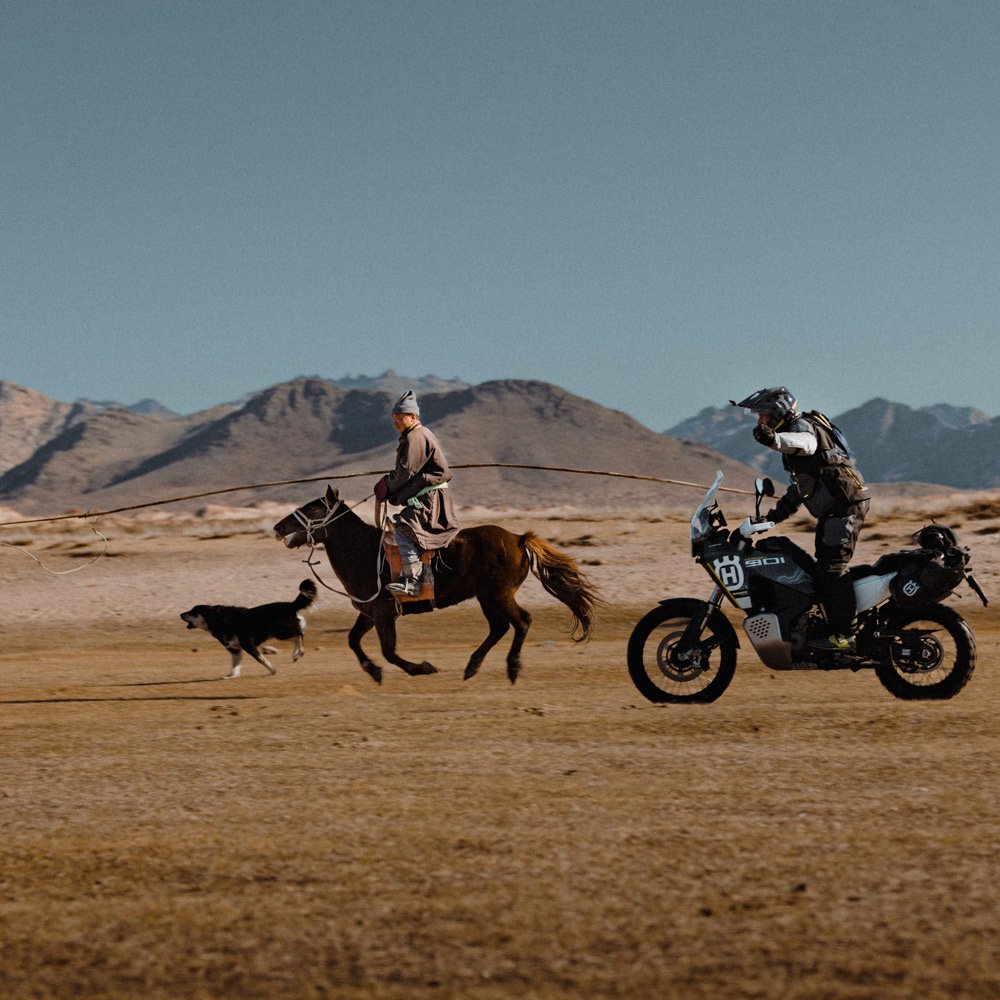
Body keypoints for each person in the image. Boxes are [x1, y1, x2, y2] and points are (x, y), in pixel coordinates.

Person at [734, 387, 871, 651]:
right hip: (834, 510)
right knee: (820, 570)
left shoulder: (803, 427)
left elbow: (806, 443)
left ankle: (845, 636)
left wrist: (774, 439)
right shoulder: (793, 449)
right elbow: (800, 490)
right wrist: (771, 518)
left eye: (763, 415)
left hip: (846, 505)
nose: (759, 421)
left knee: (832, 567)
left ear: (777, 413)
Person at [373, 390, 460, 597]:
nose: (396, 422)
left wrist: (387, 486)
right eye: (394, 418)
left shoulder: (415, 436)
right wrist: (397, 496)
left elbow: (406, 472)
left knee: (403, 530)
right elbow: (412, 476)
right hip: (427, 497)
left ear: (413, 417)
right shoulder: (417, 435)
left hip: (431, 500)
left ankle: (412, 581)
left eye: (400, 417)